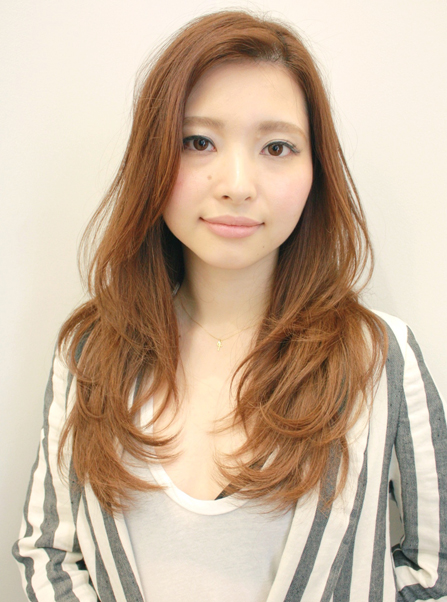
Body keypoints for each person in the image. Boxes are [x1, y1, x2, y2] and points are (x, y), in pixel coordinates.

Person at [12, 9, 447, 602]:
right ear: (153, 157)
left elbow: (435, 570)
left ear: (315, 169)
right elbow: (50, 555)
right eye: (198, 142)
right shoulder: (90, 352)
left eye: (277, 146)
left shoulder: (379, 357)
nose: (237, 184)